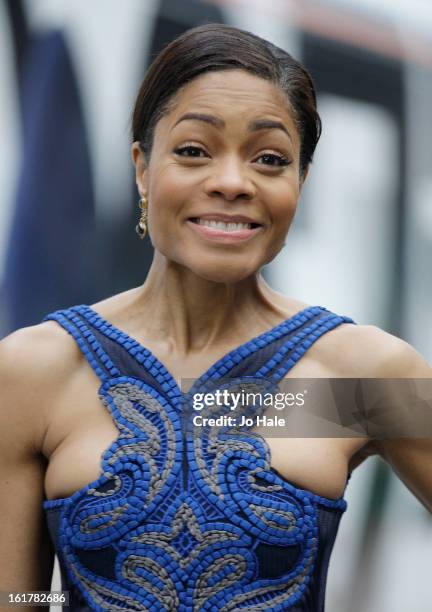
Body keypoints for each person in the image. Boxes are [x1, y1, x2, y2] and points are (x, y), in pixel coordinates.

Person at [0, 22, 431, 612]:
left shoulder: (357, 378)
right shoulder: (35, 371)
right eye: (194, 150)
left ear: (300, 182)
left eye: (271, 159)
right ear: (142, 168)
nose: (232, 182)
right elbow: (14, 597)